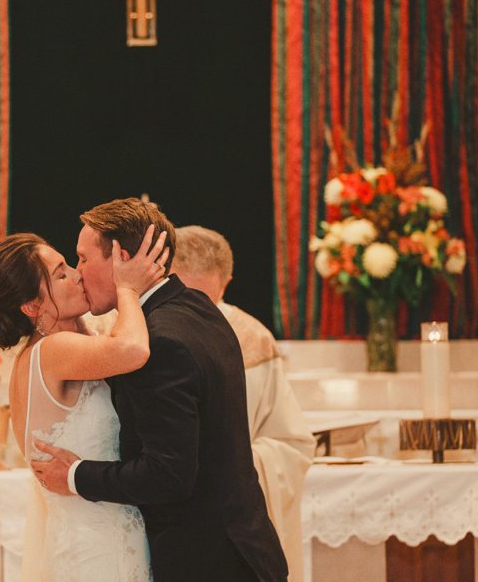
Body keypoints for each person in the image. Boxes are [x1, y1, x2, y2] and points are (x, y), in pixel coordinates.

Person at [32, 199, 288, 582]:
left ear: (121, 257)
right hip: (243, 550)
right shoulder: (197, 306)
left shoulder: (159, 343)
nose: (79, 273)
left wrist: (75, 475)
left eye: (83, 259)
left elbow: (169, 475)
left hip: (207, 563)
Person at [0, 227, 168, 582]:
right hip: (101, 554)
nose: (78, 275)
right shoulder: (52, 351)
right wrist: (128, 288)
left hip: (94, 541)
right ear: (32, 306)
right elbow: (134, 350)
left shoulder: (52, 351)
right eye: (61, 273)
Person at [172, 225, 315, 582]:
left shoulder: (254, 340)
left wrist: (230, 464)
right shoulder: (135, 329)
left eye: (205, 301)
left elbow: (291, 445)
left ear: (227, 282)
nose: (194, 314)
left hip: (231, 521)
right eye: (183, 297)